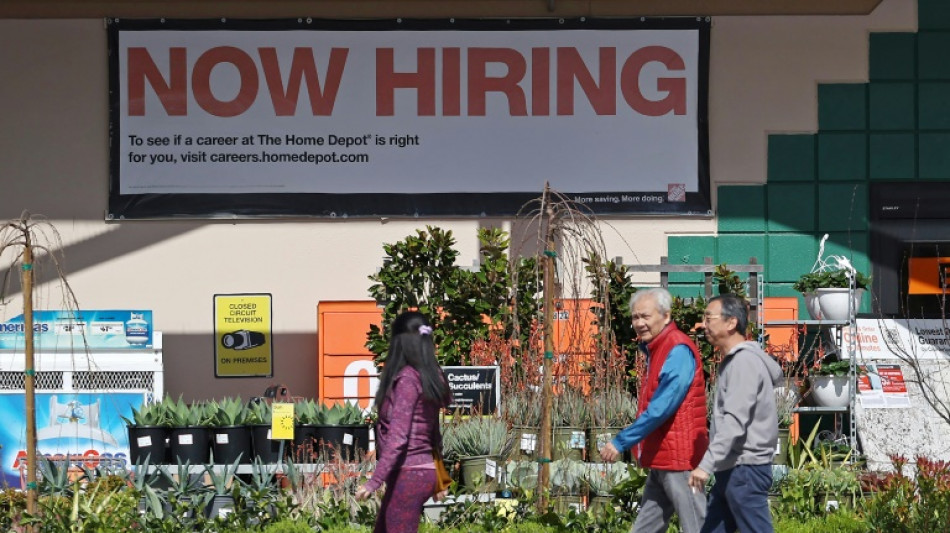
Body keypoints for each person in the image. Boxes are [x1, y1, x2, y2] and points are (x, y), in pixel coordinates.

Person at [599, 287, 709, 533]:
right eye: (635, 317)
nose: (639, 323)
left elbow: (661, 408)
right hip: (663, 455)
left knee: (696, 525)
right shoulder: (658, 348)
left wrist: (621, 442)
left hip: (680, 457)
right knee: (645, 528)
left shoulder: (677, 349)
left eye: (645, 316)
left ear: (666, 316)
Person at [688, 294, 783, 533]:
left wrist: (705, 465)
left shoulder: (744, 364)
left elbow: (734, 422)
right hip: (732, 468)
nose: (704, 324)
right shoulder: (735, 362)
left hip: (745, 470)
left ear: (731, 323)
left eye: (709, 318)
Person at [355, 311, 451, 533]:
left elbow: (399, 436)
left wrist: (373, 482)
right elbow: (434, 433)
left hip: (409, 474)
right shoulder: (431, 374)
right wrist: (439, 476)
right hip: (422, 471)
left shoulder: (408, 379)